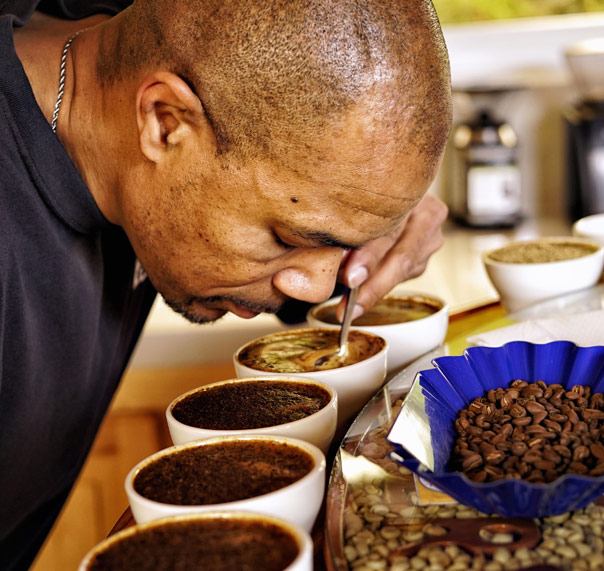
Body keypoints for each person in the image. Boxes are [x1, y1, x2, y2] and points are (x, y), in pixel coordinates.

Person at [0, 0, 451, 568]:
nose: (317, 289)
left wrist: (376, 219)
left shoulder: (119, 43)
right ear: (164, 122)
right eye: (290, 237)